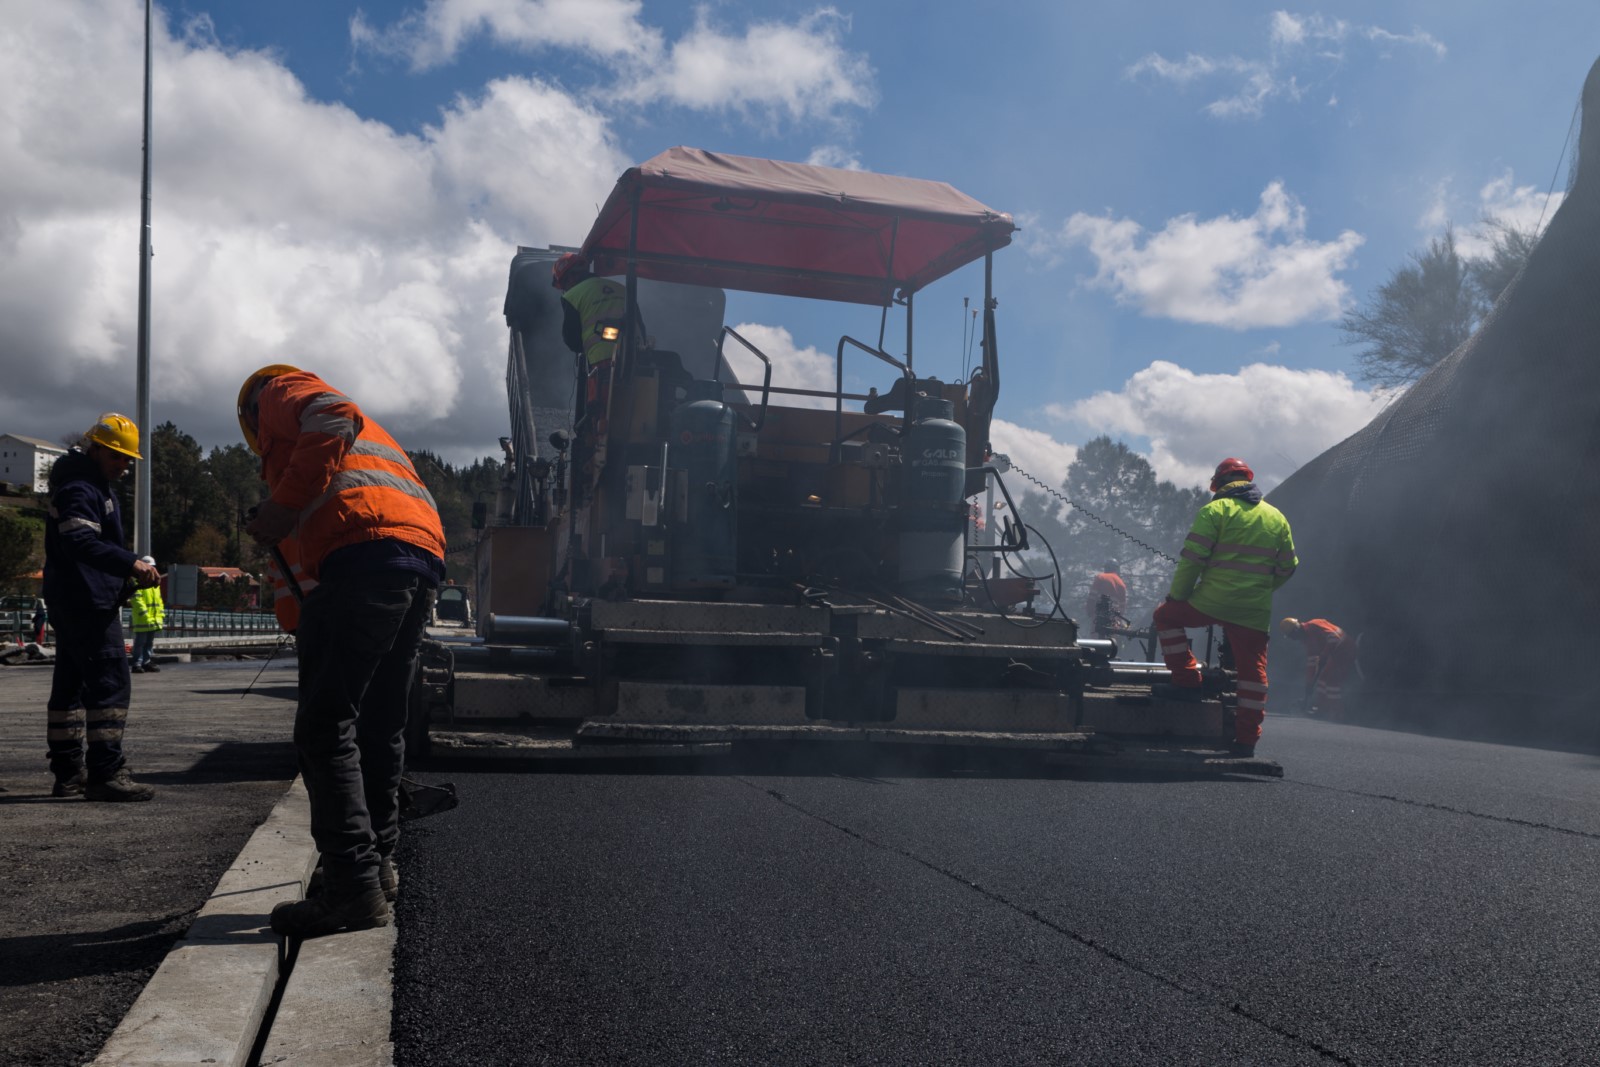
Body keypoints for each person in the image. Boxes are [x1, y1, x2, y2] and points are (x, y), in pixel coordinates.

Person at [237, 364, 446, 939]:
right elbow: (299, 594)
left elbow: (334, 414)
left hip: (365, 556)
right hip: (415, 558)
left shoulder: (275, 391)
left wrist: (281, 506)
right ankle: (378, 868)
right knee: (380, 724)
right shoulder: (356, 461)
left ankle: (351, 888)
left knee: (325, 729)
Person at [43, 413, 161, 801]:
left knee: (71, 687)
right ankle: (105, 773)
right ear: (95, 450)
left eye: (127, 459)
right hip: (86, 600)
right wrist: (130, 564)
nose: (124, 466)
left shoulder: (90, 485)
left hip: (76, 597)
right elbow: (80, 542)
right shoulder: (81, 488)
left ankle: (69, 774)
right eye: (117, 457)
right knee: (110, 683)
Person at [1151, 458, 1297, 758]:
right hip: (1253, 610)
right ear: (1248, 480)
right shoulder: (1276, 517)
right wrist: (1260, 590)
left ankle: (1188, 681)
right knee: (1253, 674)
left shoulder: (1215, 510)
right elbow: (1287, 568)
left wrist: (1178, 597)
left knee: (1164, 617)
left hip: (1211, 601)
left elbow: (1191, 561)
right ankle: (1246, 741)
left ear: (1218, 485)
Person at [1279, 617, 1358, 719]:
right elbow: (1312, 663)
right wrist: (1309, 684)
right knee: (1322, 679)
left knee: (1331, 680)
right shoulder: (1307, 641)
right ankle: (1322, 710)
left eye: (1292, 636)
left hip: (1346, 649)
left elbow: (1334, 637)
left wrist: (1324, 655)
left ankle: (1338, 713)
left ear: (1297, 630)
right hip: (1335, 654)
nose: (1293, 639)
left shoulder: (1314, 625)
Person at [128, 558, 165, 673]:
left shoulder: (155, 584)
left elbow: (158, 601)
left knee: (149, 642)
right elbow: (137, 600)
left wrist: (160, 614)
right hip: (143, 619)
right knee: (140, 642)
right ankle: (137, 663)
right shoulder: (136, 581)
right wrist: (145, 615)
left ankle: (146, 662)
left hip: (152, 619)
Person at [1084, 560, 1128, 638]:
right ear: (1116, 569)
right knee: (1111, 643)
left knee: (1095, 642)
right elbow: (1122, 607)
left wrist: (1089, 611)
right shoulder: (1121, 584)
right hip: (1114, 621)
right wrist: (1118, 620)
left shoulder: (1100, 577)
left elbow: (1092, 597)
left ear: (1106, 568)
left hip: (1099, 617)